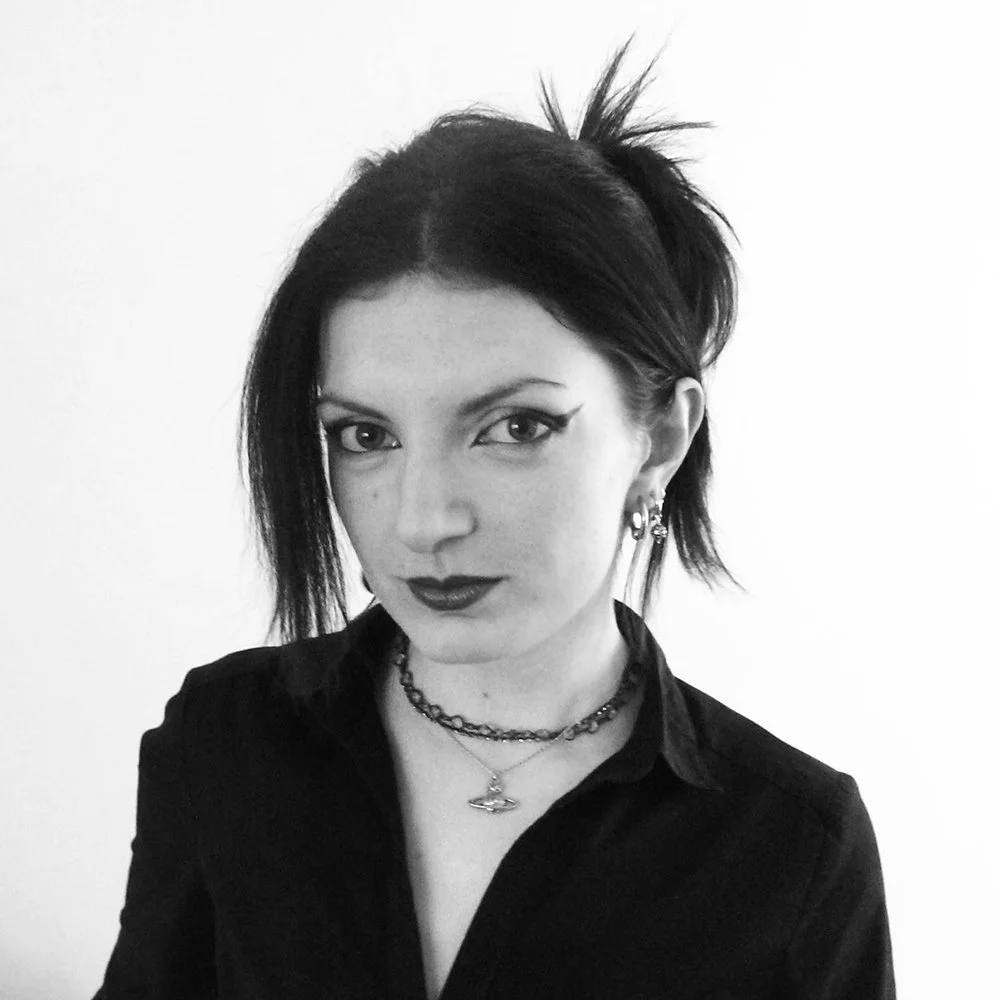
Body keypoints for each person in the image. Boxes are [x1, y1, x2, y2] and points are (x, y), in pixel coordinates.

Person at [92, 38, 895, 1000]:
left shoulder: (791, 845)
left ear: (661, 436)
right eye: (364, 435)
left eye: (515, 426)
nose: (424, 519)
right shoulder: (226, 743)